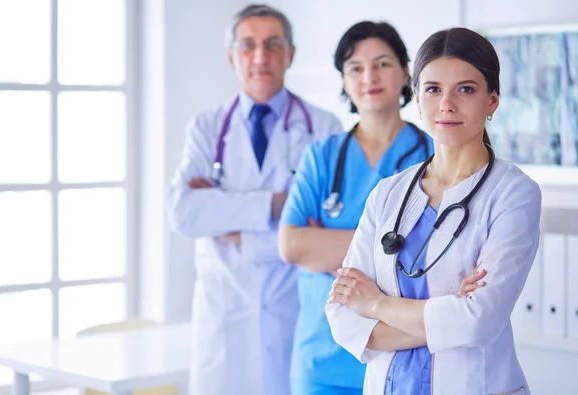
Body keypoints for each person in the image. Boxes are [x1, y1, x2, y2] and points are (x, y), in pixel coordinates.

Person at [326, 27, 541, 395]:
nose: (447, 104)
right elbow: (342, 316)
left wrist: (376, 303)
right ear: (417, 98)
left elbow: (477, 322)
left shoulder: (513, 194)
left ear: (492, 101)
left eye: (466, 89)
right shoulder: (387, 194)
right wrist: (445, 315)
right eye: (433, 89)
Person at [278, 22, 485, 395]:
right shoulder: (322, 157)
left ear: (407, 73)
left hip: (410, 356)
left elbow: (457, 262)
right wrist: (398, 252)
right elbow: (291, 246)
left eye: (382, 64)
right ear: (343, 81)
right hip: (321, 357)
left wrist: (330, 248)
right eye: (355, 67)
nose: (368, 76)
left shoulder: (437, 154)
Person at [165, 4, 342, 395]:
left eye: (273, 44)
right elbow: (184, 213)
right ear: (231, 57)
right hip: (224, 317)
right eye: (248, 45)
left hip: (295, 313)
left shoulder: (324, 128)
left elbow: (326, 232)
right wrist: (278, 206)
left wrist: (235, 229)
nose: (260, 56)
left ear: (291, 54)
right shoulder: (207, 127)